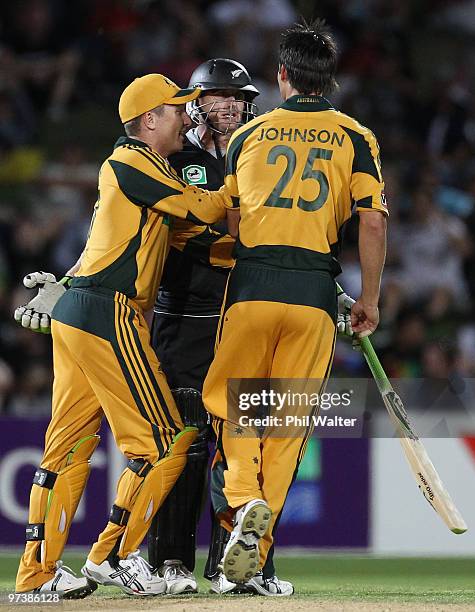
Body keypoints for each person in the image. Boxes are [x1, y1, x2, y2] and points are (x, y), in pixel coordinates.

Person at [14, 73, 230, 598]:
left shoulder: (150, 174)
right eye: (177, 109)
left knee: (67, 447)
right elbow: (205, 208)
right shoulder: (134, 161)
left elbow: (203, 239)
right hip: (108, 310)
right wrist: (244, 174)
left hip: (80, 308)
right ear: (149, 119)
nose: (187, 116)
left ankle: (36, 576)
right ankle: (115, 554)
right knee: (166, 443)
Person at [202, 18, 388, 585]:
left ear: (281, 76)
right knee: (286, 425)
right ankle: (255, 556)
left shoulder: (247, 136)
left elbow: (232, 219)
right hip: (313, 295)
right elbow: (373, 222)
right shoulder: (356, 135)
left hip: (253, 286)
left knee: (231, 406)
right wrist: (369, 301)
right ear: (329, 81)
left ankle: (239, 495)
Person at [147, 58, 292, 596]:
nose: (232, 105)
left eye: (239, 97)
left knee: (241, 446)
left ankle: (240, 567)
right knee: (183, 442)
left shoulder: (256, 156)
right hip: (182, 317)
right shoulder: (173, 156)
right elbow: (179, 229)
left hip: (241, 318)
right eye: (220, 96)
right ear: (196, 103)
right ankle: (169, 565)